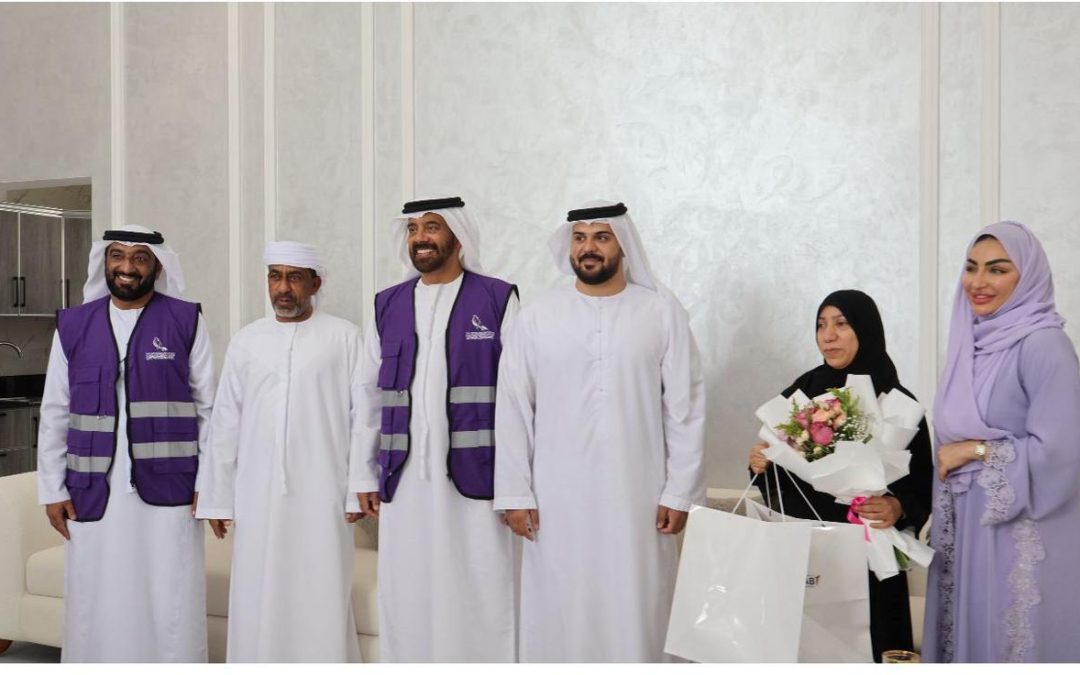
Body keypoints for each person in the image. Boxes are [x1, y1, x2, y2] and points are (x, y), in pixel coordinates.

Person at [494, 200, 705, 662]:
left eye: (601, 237)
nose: (588, 248)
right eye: (580, 238)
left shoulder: (661, 312)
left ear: (623, 245)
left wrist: (680, 492)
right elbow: (512, 408)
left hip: (639, 496)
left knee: (639, 603)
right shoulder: (536, 317)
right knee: (560, 603)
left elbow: (685, 408)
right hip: (555, 500)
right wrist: (514, 492)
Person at [36, 225, 214, 662]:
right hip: (92, 488)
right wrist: (52, 489)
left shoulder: (185, 320)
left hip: (170, 488)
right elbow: (55, 410)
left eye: (140, 257)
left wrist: (210, 483)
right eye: (118, 256)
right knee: (94, 596)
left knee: (169, 595)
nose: (127, 267)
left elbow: (210, 409)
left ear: (157, 266)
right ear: (105, 262)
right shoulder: (73, 326)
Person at [352, 197, 518, 662]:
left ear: (457, 236)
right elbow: (367, 397)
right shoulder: (387, 304)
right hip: (403, 480)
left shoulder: (497, 299)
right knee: (408, 592)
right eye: (413, 229)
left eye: (432, 227)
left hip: (478, 479)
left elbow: (518, 398)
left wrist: (516, 487)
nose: (420, 238)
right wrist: (362, 475)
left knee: (481, 589)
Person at [195, 241, 364, 662]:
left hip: (324, 493)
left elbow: (364, 417)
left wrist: (357, 489)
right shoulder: (247, 340)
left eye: (294, 278)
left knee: (321, 589)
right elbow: (225, 423)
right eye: (275, 277)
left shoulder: (345, 337)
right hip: (257, 494)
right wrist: (217, 498)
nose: (283, 288)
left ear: (315, 284)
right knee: (257, 590)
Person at [923, 221, 1080, 663]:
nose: (978, 282)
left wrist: (976, 451)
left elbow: (1062, 452)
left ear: (1026, 276)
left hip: (1021, 536)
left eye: (997, 269)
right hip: (968, 531)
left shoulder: (1044, 345)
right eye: (971, 267)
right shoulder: (969, 345)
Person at [748, 289, 933, 661]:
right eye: (821, 325)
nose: (828, 336)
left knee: (871, 646)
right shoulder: (804, 391)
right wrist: (759, 464)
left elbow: (923, 484)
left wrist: (897, 507)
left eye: (841, 324)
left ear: (866, 330)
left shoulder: (896, 400)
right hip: (811, 555)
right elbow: (777, 476)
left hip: (870, 558)